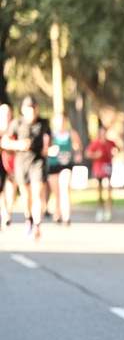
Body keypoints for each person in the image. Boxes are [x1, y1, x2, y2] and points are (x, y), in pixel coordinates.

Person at [1, 96, 50, 239]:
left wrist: (49, 149)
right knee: (26, 195)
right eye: (29, 109)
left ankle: (37, 226)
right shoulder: (17, 123)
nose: (32, 112)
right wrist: (19, 145)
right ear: (23, 110)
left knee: (37, 194)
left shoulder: (44, 123)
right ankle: (29, 219)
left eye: (34, 108)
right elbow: (4, 142)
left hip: (38, 162)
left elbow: (49, 139)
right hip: (22, 163)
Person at [45, 111, 82, 225]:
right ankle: (57, 213)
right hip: (53, 165)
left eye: (62, 119)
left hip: (66, 164)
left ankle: (67, 217)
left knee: (65, 188)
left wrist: (77, 153)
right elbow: (45, 149)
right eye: (58, 120)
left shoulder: (71, 133)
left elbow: (78, 145)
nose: (61, 122)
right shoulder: (50, 134)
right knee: (56, 192)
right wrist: (50, 151)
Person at [85, 123, 120, 222]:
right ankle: (100, 209)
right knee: (99, 190)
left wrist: (114, 153)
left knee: (109, 188)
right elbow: (87, 153)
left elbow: (117, 149)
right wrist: (96, 155)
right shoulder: (95, 143)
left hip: (107, 166)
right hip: (98, 167)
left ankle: (108, 210)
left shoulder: (110, 143)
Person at [0, 103, 14, 230]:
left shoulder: (14, 127)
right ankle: (4, 214)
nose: (6, 116)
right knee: (1, 190)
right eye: (3, 114)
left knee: (11, 188)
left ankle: (7, 212)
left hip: (11, 163)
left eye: (8, 114)